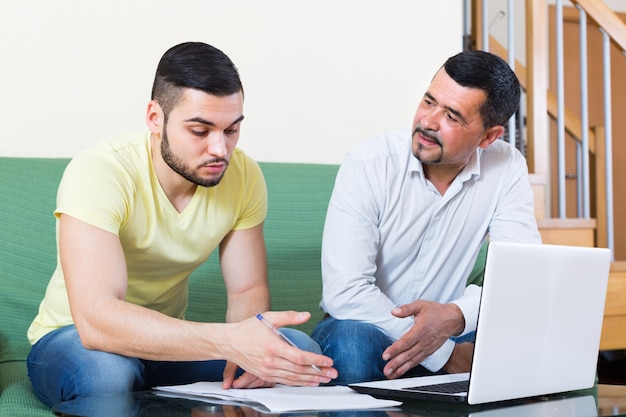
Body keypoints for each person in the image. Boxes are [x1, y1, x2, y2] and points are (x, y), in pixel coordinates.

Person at [26, 41, 337, 407]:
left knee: (295, 352)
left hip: (168, 347)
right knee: (106, 372)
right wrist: (227, 340)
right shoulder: (100, 171)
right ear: (155, 118)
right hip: (76, 339)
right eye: (200, 131)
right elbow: (97, 320)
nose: (221, 150)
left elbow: (246, 290)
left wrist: (254, 346)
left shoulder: (244, 175)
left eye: (231, 130)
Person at [311, 50, 541, 385]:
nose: (428, 122)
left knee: (529, 345)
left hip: (451, 329)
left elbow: (521, 275)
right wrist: (445, 354)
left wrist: (456, 315)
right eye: (429, 101)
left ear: (489, 137)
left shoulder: (506, 166)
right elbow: (345, 292)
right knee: (352, 348)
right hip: (365, 325)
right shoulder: (369, 162)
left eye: (452, 117)